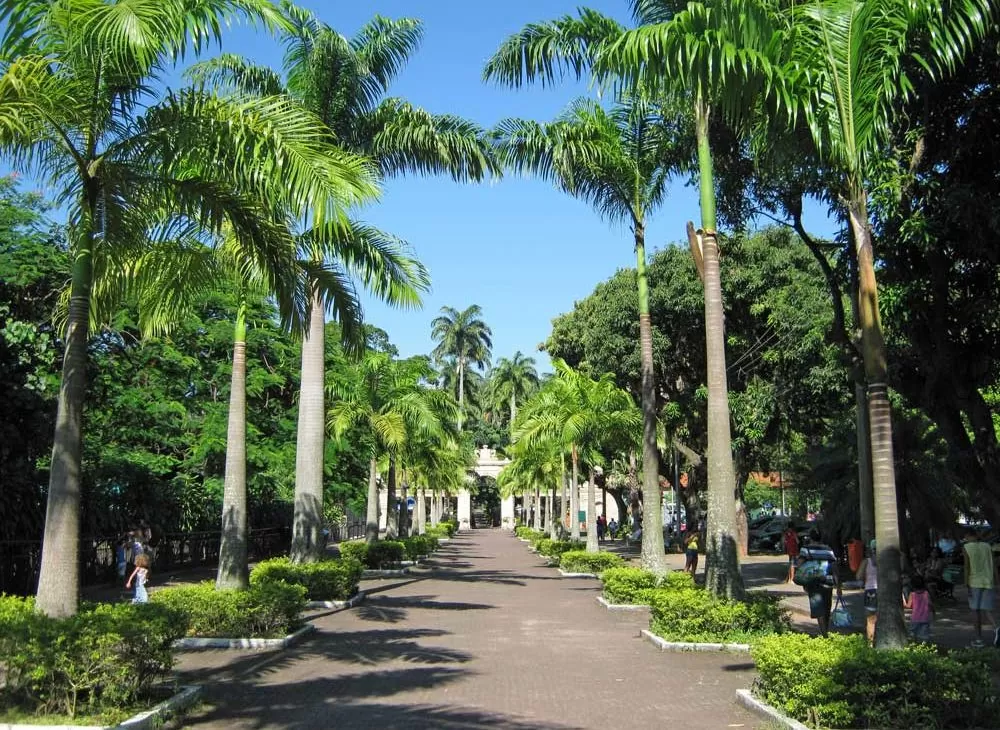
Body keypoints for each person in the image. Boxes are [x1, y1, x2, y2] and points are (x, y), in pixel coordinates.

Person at [795, 541, 840, 636]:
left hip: (813, 582)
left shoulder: (806, 549)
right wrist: (839, 586)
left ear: (810, 539)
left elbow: (800, 564)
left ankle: (824, 634)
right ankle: (826, 629)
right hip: (828, 582)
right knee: (827, 606)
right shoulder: (828, 549)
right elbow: (834, 567)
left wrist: (803, 579)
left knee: (818, 608)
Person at [963, 530, 998, 648]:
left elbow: (967, 567)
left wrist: (965, 583)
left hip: (974, 582)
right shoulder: (987, 546)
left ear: (969, 536)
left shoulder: (966, 547)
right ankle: (996, 627)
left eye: (965, 537)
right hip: (988, 581)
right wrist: (997, 580)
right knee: (987, 610)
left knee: (975, 611)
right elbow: (994, 565)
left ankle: (979, 640)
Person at [856, 540, 878, 644]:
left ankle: (870, 644)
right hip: (885, 591)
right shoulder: (888, 560)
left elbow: (858, 576)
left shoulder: (867, 561)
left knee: (870, 620)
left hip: (871, 591)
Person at [904, 574, 933, 642]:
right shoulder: (926, 593)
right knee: (924, 636)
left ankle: (915, 646)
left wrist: (904, 602)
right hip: (925, 618)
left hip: (915, 618)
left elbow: (908, 606)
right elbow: (930, 604)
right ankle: (924, 647)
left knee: (913, 635)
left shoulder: (912, 594)